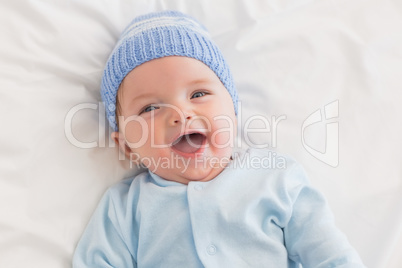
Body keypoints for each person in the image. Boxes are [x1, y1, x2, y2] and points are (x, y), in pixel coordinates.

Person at [73, 10, 365, 267]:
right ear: (127, 145)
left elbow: (332, 256)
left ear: (233, 113)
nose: (181, 113)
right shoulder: (125, 209)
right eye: (150, 108)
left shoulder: (276, 179)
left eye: (198, 94)